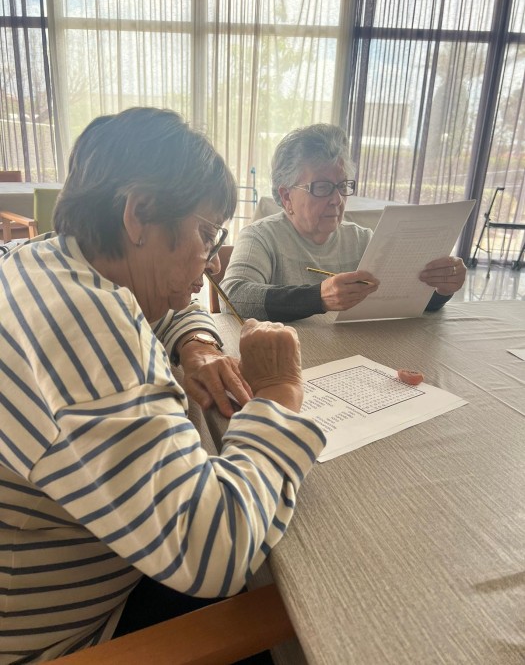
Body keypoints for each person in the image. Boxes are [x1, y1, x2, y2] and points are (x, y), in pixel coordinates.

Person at [0, 107, 325, 662]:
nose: (210, 264)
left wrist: (196, 343)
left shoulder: (51, 263)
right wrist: (279, 393)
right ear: (140, 213)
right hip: (65, 638)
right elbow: (215, 549)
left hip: (80, 570)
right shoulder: (84, 325)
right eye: (205, 234)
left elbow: (174, 304)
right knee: (296, 592)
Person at [220, 123, 466, 322]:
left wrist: (442, 288)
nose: (337, 200)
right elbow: (233, 297)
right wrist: (318, 297)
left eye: (342, 186)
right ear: (286, 196)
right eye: (322, 187)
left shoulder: (362, 240)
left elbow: (404, 300)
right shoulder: (261, 237)